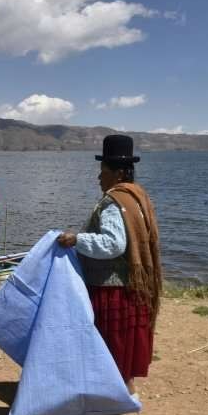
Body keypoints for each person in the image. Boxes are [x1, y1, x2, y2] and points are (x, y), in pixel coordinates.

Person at [57, 134, 162, 397]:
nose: (98, 177)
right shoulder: (138, 197)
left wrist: (76, 239)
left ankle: (115, 395)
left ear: (116, 174)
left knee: (111, 343)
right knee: (123, 344)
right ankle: (125, 391)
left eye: (102, 171)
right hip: (131, 284)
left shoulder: (114, 202)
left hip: (111, 287)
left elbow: (113, 244)